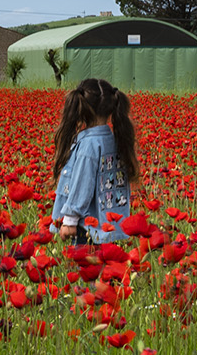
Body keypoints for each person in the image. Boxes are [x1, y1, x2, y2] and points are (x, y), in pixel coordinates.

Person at [50, 78, 140, 244]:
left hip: (86, 228)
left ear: (82, 108)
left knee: (85, 268)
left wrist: (69, 220)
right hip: (105, 227)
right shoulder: (114, 139)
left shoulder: (89, 145)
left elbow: (82, 184)